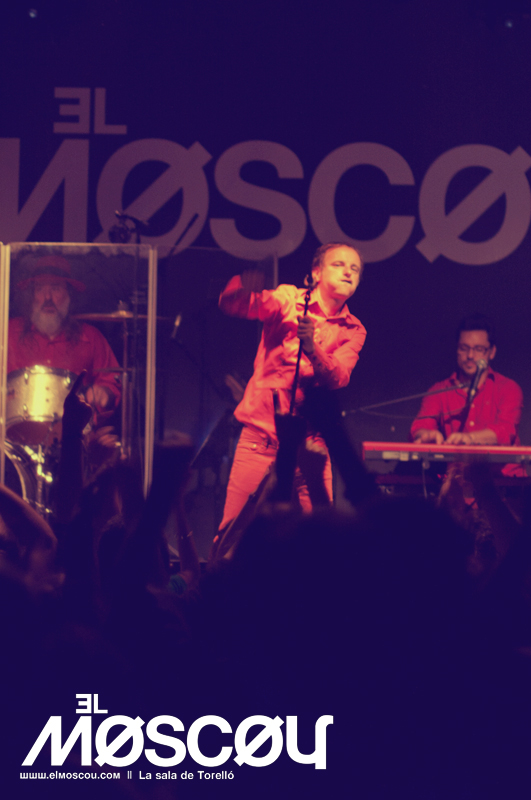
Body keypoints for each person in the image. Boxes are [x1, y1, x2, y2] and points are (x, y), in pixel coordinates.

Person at [217, 242, 367, 531]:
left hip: (310, 448)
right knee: (235, 533)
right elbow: (237, 305)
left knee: (320, 538)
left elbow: (338, 377)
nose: (348, 272)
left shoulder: (354, 329)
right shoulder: (288, 298)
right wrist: (242, 289)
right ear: (316, 273)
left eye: (355, 269)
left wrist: (312, 347)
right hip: (261, 442)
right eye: (339, 265)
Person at [7, 255, 121, 421]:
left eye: (55, 288)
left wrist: (104, 393)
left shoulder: (91, 338)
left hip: (74, 431)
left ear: (70, 295)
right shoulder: (8, 332)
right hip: (15, 432)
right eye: (40, 289)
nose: (47, 297)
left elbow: (113, 383)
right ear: (32, 295)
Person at [410, 313, 523, 449]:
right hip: (457, 464)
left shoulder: (508, 388)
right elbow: (420, 427)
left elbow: (506, 431)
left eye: (479, 349)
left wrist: (470, 438)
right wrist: (425, 435)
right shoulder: (439, 391)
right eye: (464, 348)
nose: (470, 355)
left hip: (498, 464)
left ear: (492, 352)